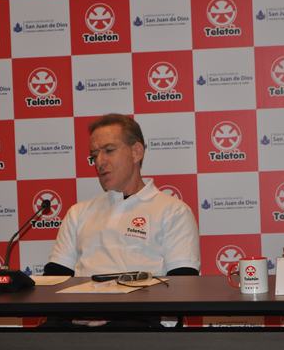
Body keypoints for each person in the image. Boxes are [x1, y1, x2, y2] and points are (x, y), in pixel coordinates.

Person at [44, 113, 200, 277]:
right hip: (84, 295)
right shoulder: (77, 213)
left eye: (109, 150)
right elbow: (54, 280)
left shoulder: (174, 212)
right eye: (95, 155)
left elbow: (183, 283)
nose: (99, 162)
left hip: (146, 295)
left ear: (136, 152)